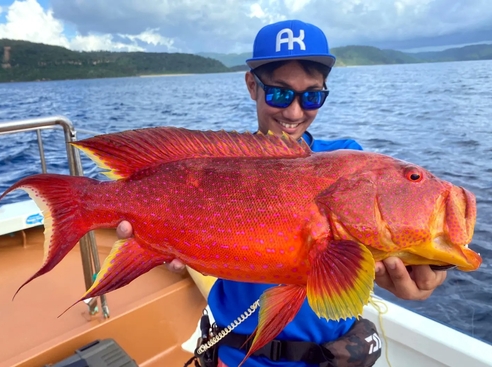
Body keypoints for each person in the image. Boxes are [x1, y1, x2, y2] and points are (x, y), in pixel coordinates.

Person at [116, 19, 447, 367]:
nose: (294, 111)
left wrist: (433, 261)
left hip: (333, 357)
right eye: (279, 93)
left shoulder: (349, 162)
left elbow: (387, 232)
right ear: (251, 86)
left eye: (312, 96)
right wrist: (166, 241)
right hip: (235, 356)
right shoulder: (214, 165)